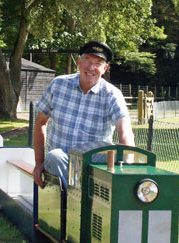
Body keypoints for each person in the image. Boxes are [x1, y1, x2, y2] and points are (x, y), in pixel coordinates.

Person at [32, 41, 135, 188]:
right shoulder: (58, 85)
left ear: (105, 68)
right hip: (62, 160)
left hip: (94, 162)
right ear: (79, 62)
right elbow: (41, 122)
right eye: (87, 60)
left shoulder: (112, 95)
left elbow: (125, 131)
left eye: (98, 63)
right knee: (54, 156)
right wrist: (39, 162)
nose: (91, 67)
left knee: (120, 154)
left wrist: (129, 165)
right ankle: (71, 204)